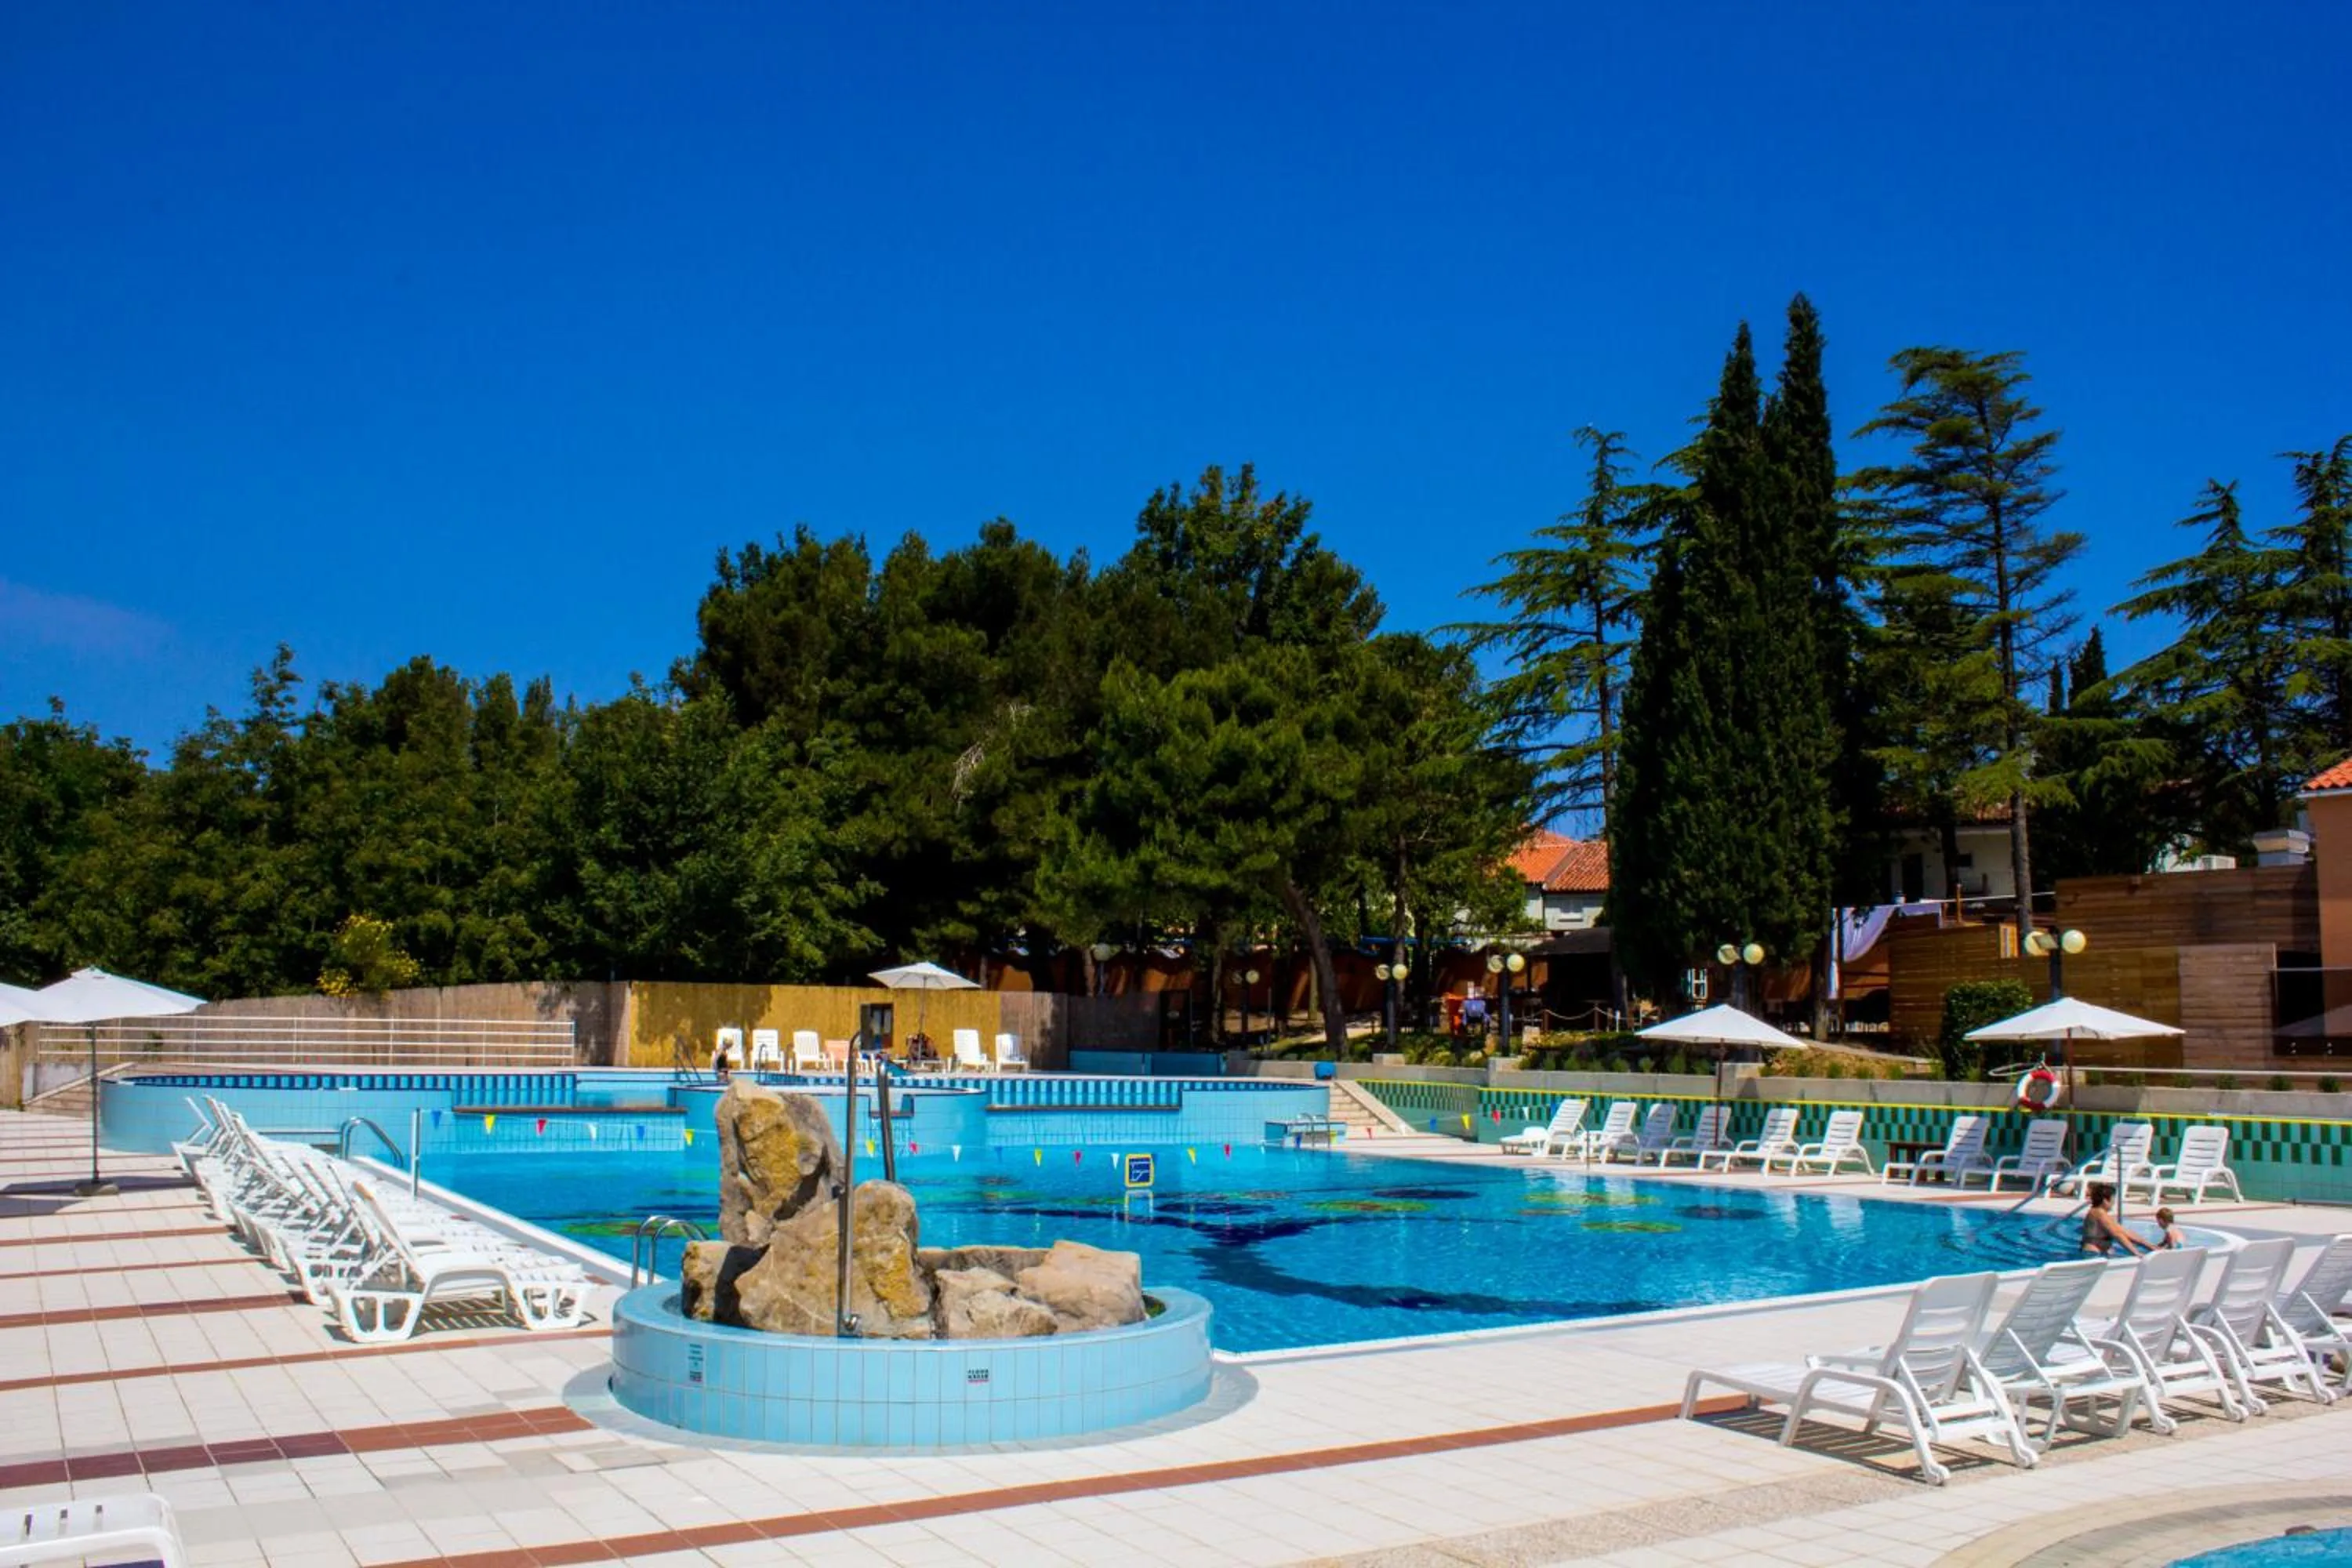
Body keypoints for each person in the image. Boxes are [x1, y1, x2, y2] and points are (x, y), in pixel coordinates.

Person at [2080, 1183, 2151, 1257]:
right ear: (2105, 1201)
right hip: (2093, 1255)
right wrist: (2136, 1253)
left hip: (2098, 1253)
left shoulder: (2100, 1214)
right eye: (2113, 1200)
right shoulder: (2099, 1213)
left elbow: (2125, 1232)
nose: (2113, 1203)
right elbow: (2117, 1235)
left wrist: (2151, 1247)